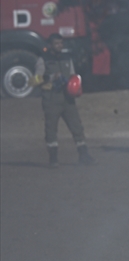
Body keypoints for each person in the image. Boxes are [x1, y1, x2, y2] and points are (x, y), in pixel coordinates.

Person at [36, 33, 95, 167]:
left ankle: (84, 156)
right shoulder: (43, 59)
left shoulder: (67, 59)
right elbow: (35, 80)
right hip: (51, 99)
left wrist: (76, 87)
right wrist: (51, 77)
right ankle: (53, 159)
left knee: (77, 127)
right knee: (51, 129)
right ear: (50, 45)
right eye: (57, 44)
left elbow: (73, 76)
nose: (60, 46)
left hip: (68, 99)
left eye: (61, 43)